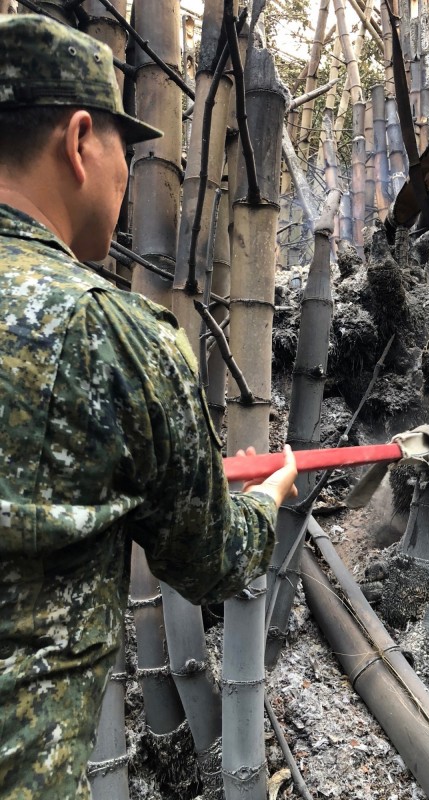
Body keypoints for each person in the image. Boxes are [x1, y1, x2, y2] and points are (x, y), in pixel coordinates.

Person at [0, 14, 297, 799]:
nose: (127, 177)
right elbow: (211, 561)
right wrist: (265, 499)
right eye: (125, 156)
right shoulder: (111, 336)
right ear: (78, 140)